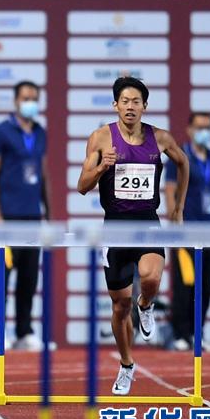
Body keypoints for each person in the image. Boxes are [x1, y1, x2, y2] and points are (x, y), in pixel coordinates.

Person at [77, 76, 189, 395]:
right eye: (124, 101)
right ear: (116, 105)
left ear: (144, 106)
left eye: (135, 102)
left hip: (148, 222)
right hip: (114, 227)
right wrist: (102, 168)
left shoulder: (160, 138)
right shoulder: (101, 138)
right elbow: (82, 186)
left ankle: (147, 303)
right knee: (119, 307)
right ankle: (127, 365)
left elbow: (184, 163)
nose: (130, 107)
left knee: (150, 277)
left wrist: (178, 207)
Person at [0, 80, 50, 351]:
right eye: (25, 98)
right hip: (8, 218)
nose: (30, 103)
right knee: (2, 277)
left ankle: (24, 331)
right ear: (15, 101)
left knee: (29, 279)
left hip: (33, 218)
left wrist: (48, 213)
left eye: (34, 98)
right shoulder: (1, 132)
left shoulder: (40, 132)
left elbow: (44, 174)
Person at [165, 112, 210, 352]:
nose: (204, 132)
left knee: (205, 285)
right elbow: (170, 190)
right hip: (186, 231)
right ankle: (180, 334)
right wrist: (175, 225)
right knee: (185, 283)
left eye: (208, 127)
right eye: (200, 127)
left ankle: (197, 333)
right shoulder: (179, 156)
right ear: (189, 129)